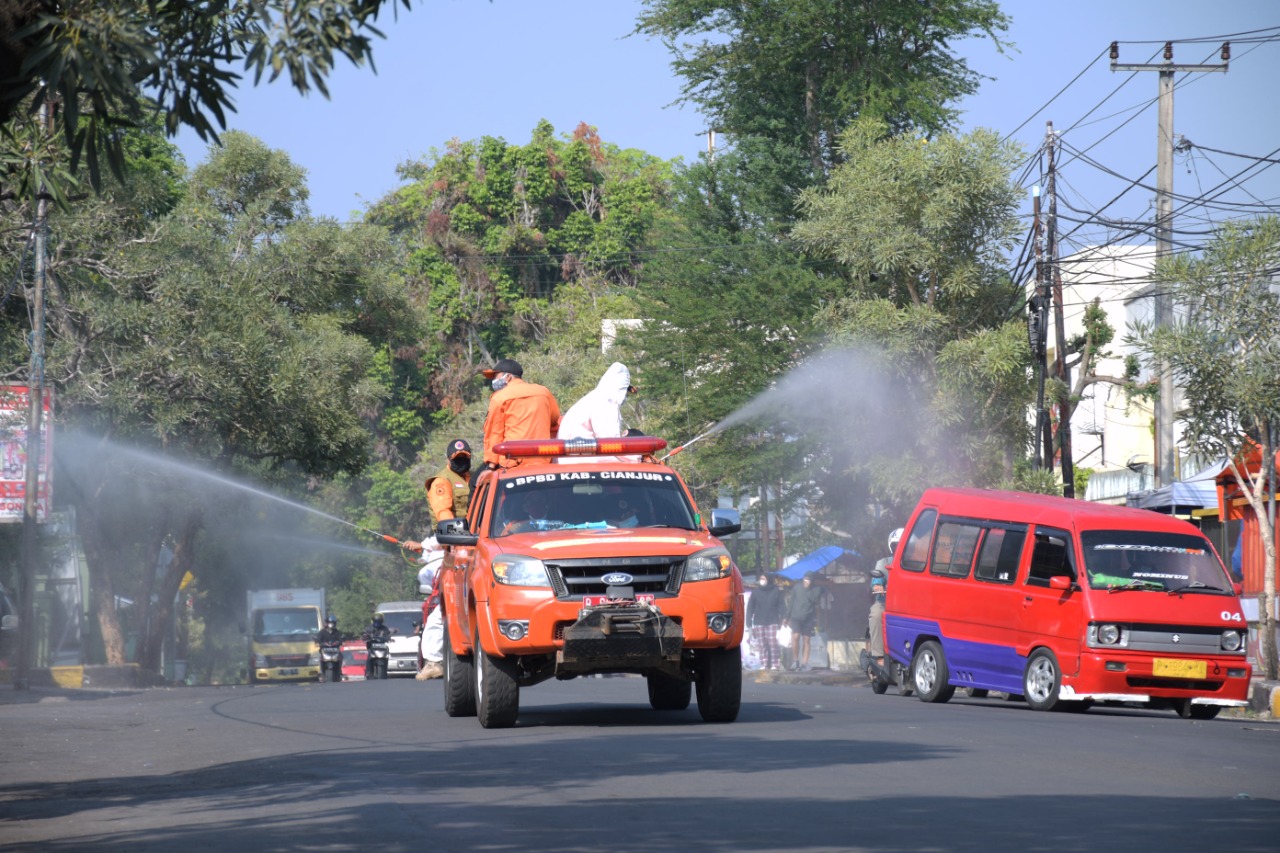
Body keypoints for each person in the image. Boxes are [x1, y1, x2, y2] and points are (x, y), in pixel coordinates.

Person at [479, 358, 561, 474]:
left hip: (513, 463)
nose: (493, 380)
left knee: (474, 483)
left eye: (495, 376)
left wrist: (491, 466)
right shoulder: (544, 392)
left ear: (508, 377)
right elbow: (554, 420)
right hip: (543, 460)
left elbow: (494, 433)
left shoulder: (500, 397)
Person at [556, 362, 636, 464]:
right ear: (621, 388)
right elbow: (611, 445)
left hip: (571, 460)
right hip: (582, 463)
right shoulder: (606, 403)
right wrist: (636, 458)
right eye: (625, 390)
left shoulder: (593, 399)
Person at [864, 528, 902, 683]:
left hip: (906, 606)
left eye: (903, 545)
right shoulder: (884, 563)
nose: (899, 548)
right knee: (877, 614)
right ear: (891, 547)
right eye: (896, 545)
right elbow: (877, 579)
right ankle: (878, 655)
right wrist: (878, 585)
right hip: (885, 602)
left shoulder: (914, 563)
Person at [784, 572, 823, 671]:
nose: (806, 581)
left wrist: (808, 588)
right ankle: (795, 660)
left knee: (807, 639)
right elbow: (791, 602)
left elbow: (813, 599)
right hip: (796, 617)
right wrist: (787, 617)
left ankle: (804, 663)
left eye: (809, 579)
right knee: (795, 637)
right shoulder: (796, 587)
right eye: (805, 579)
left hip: (808, 617)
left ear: (812, 581)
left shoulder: (816, 589)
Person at [746, 574, 786, 671]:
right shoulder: (755, 592)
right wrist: (748, 622)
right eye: (760, 578)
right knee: (761, 643)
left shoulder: (776, 591)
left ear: (768, 580)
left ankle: (774, 663)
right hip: (759, 621)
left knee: (772, 643)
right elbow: (750, 607)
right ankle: (764, 663)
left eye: (763, 578)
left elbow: (781, 605)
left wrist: (784, 617)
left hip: (772, 620)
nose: (761, 580)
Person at [361, 612, 393, 680]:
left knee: (387, 655)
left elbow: (388, 635)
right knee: (369, 657)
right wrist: (366, 637)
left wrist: (389, 638)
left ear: (382, 622)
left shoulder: (384, 628)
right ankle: (368, 671)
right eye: (376, 622)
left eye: (379, 622)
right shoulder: (369, 628)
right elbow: (364, 635)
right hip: (372, 647)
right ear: (373, 621)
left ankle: (385, 670)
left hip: (382, 649)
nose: (377, 624)